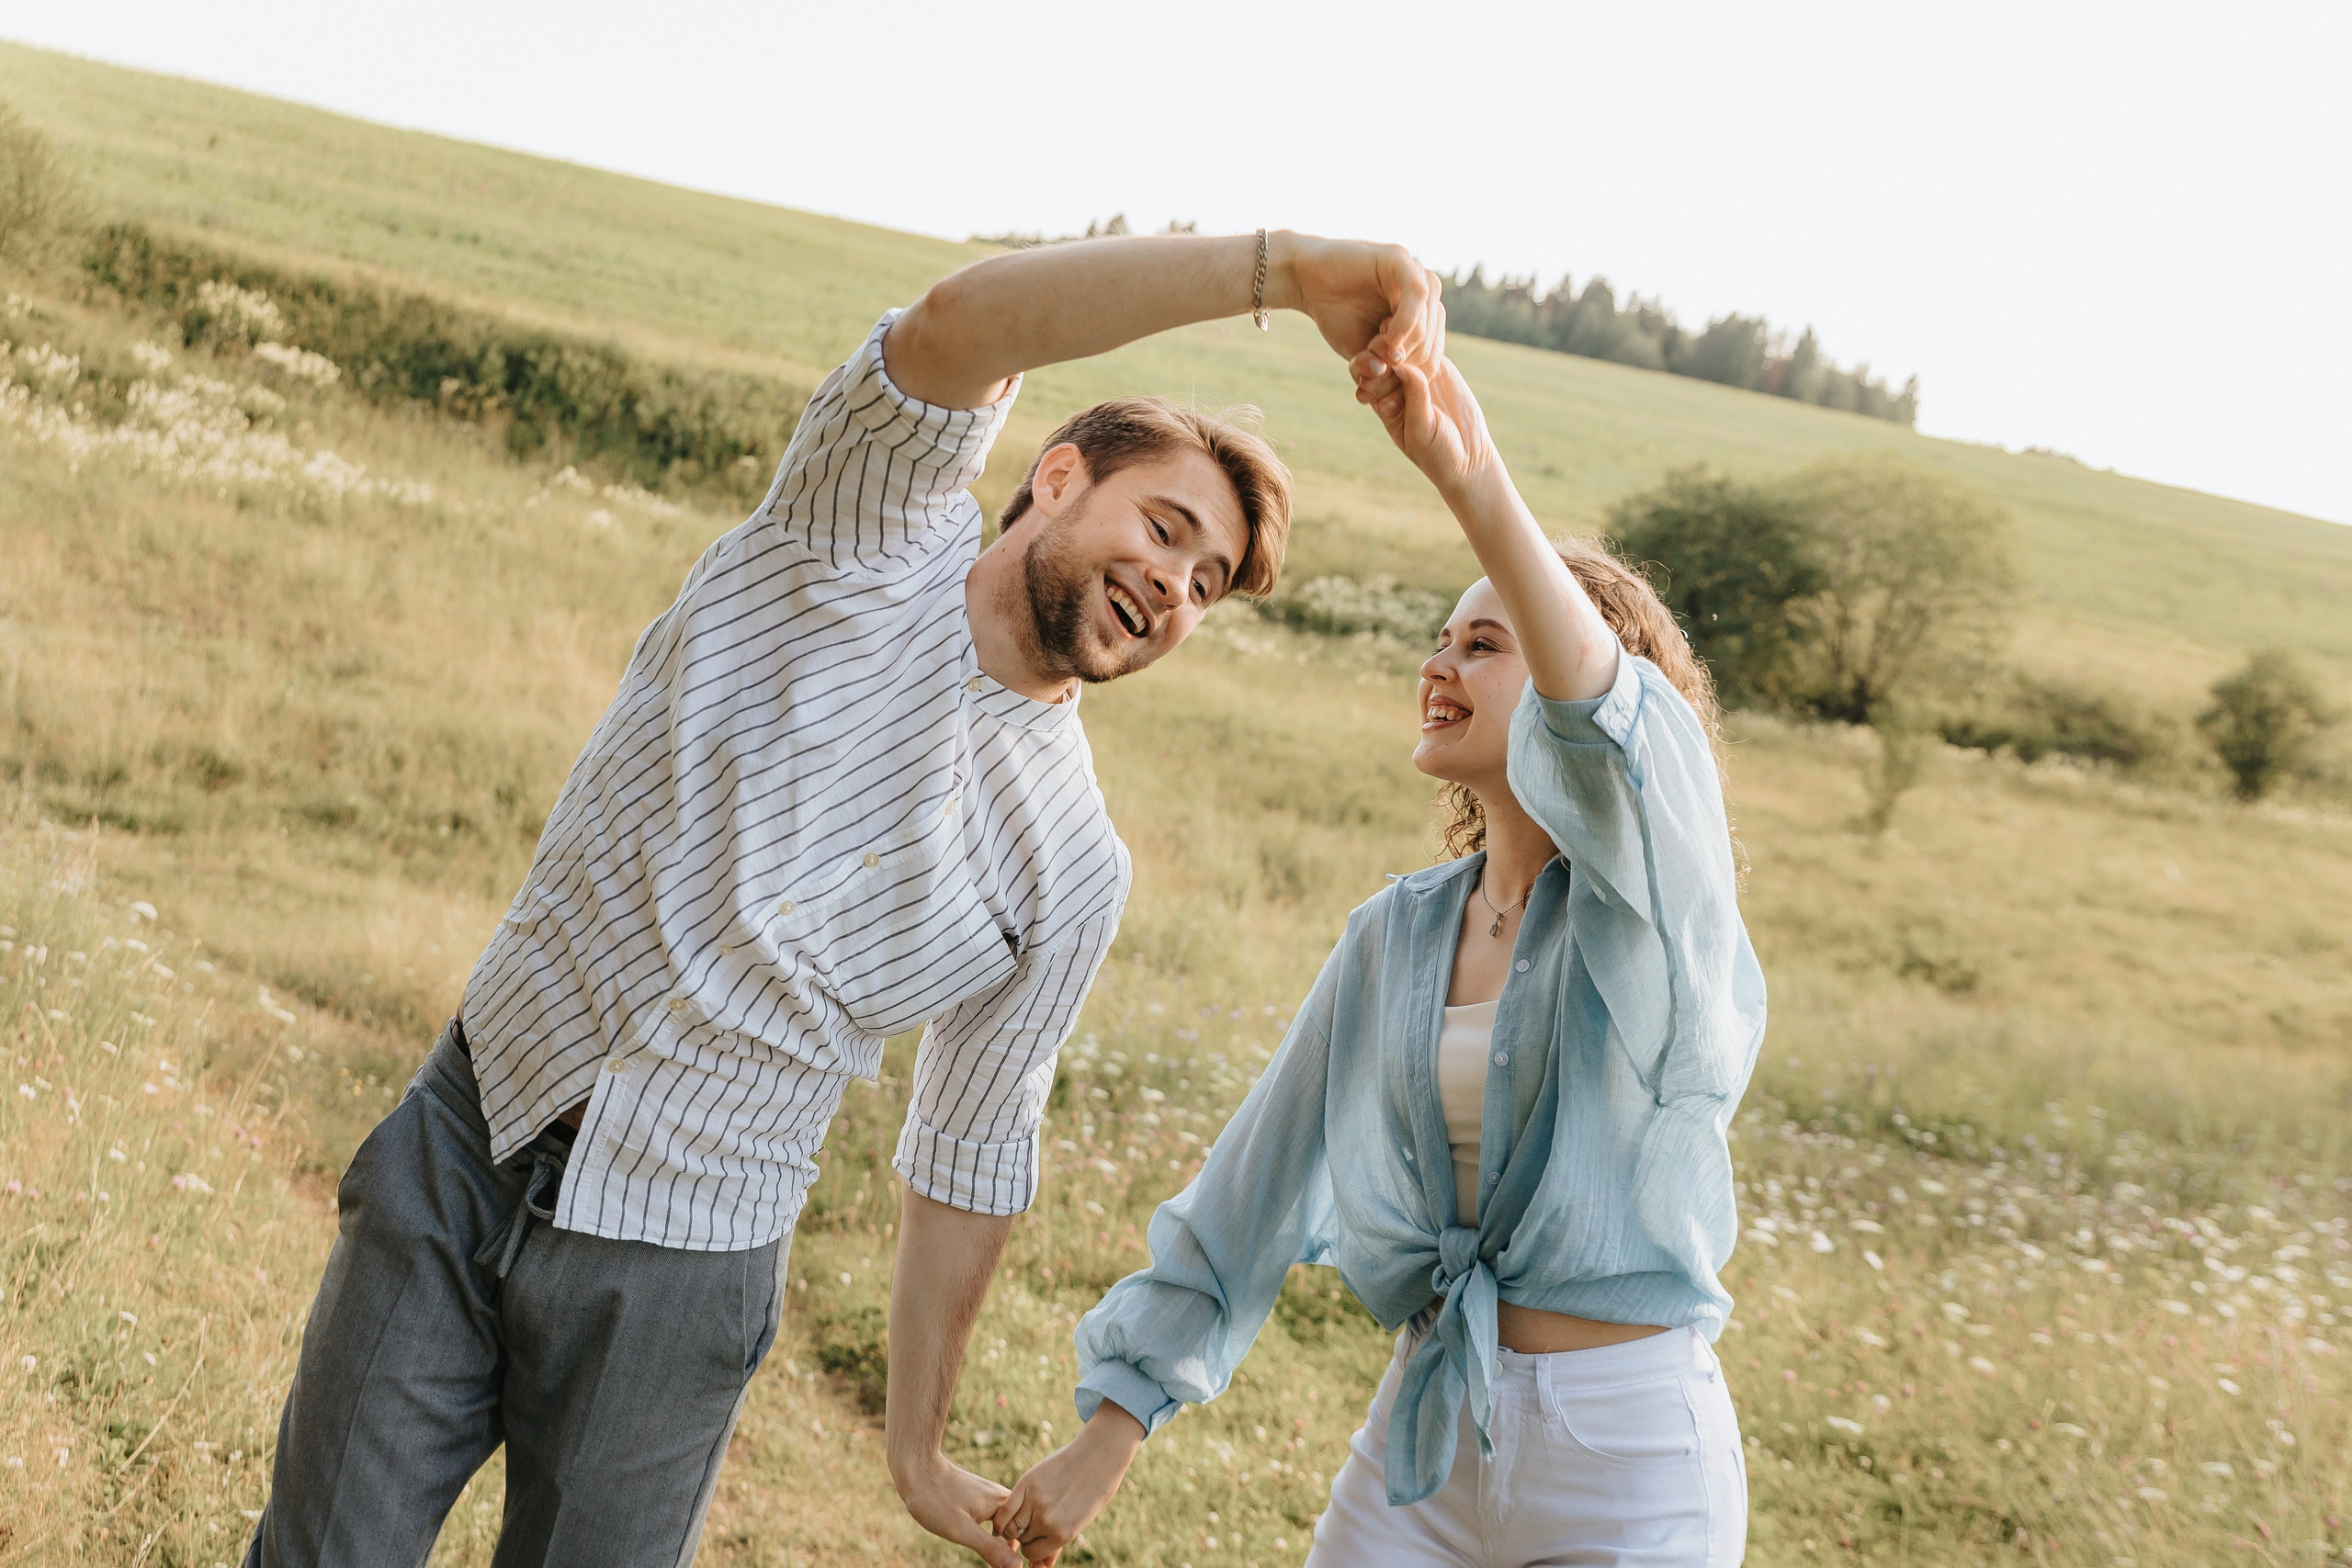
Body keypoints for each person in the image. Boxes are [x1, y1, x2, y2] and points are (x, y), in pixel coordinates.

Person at [243, 229, 1447, 1568]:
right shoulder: (860, 522)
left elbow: (969, 1150)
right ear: (1056, 477)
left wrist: (916, 1442)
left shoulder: (1070, 863)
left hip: (684, 1267)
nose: (1174, 584)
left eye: (1206, 583)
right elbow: (961, 321)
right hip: (474, 1138)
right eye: (1163, 529)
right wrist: (1279, 272)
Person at [995, 344, 1768, 1566]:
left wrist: (1466, 475)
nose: (1439, 666)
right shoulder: (1396, 937)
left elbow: (1610, 723)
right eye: (1443, 637)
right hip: (1427, 1430)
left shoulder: (1645, 902)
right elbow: (1253, 1186)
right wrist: (1113, 1424)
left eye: (1485, 644)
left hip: (1628, 1457)